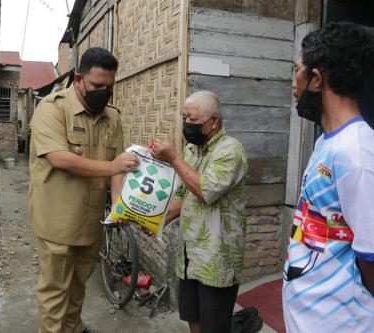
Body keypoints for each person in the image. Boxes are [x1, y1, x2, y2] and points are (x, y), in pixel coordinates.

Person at [28, 47, 139, 333]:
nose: (104, 92)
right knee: (55, 292)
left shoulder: (111, 117)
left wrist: (118, 206)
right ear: (78, 79)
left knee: (79, 286)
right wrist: (113, 167)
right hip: (57, 222)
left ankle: (74, 327)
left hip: (91, 222)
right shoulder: (52, 108)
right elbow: (59, 158)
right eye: (97, 86)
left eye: (109, 87)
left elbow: (119, 169)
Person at [283, 22, 374, 333]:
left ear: (316, 79)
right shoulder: (327, 141)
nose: (294, 82)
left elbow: (371, 256)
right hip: (309, 316)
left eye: (297, 71)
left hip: (340, 323)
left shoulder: (357, 153)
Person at [150, 91, 248, 333]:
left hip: (217, 258)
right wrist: (156, 221)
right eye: (184, 118)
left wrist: (172, 158)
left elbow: (206, 191)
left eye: (192, 120)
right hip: (189, 256)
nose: (186, 125)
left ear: (213, 122)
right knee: (193, 317)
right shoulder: (190, 152)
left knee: (214, 326)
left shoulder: (230, 150)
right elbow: (183, 196)